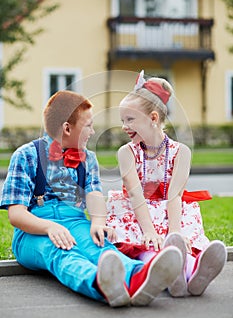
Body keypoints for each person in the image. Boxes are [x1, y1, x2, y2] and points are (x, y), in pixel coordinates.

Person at [0, 90, 183, 307]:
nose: (93, 131)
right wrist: (50, 227)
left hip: (75, 222)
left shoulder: (88, 158)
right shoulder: (25, 155)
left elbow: (94, 193)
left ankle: (139, 277)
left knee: (101, 246)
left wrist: (97, 222)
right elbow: (16, 215)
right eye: (88, 126)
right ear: (67, 128)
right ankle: (100, 284)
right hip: (33, 231)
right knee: (61, 253)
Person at [106, 70, 227, 297]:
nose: (124, 126)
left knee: (179, 241)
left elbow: (174, 195)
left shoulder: (181, 152)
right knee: (146, 243)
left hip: (170, 210)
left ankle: (192, 273)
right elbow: (135, 194)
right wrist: (150, 230)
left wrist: (175, 232)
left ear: (153, 118)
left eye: (130, 119)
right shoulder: (127, 153)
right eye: (122, 120)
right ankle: (170, 272)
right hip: (138, 211)